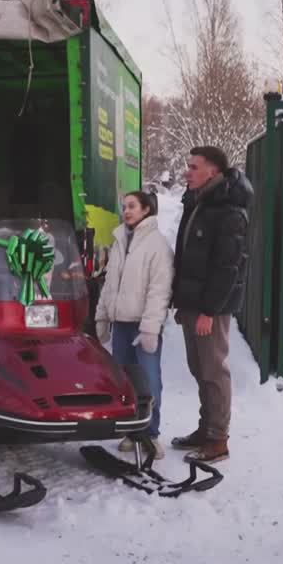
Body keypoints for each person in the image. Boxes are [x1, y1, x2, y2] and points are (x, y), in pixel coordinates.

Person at [171, 145, 253, 466]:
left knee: (213, 370)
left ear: (213, 172)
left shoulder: (229, 211)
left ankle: (218, 440)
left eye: (193, 167)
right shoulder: (198, 202)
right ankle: (206, 429)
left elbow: (227, 267)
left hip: (211, 309)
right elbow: (188, 258)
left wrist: (209, 310)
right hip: (194, 304)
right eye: (187, 166)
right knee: (199, 369)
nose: (187, 172)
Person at [95, 191, 174, 460]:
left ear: (146, 210)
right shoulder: (118, 240)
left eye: (132, 206)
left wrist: (151, 328)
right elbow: (109, 284)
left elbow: (159, 290)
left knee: (150, 381)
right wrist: (102, 316)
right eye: (124, 207)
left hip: (143, 327)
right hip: (121, 325)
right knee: (124, 380)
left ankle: (150, 434)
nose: (126, 211)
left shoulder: (157, 245)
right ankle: (131, 431)